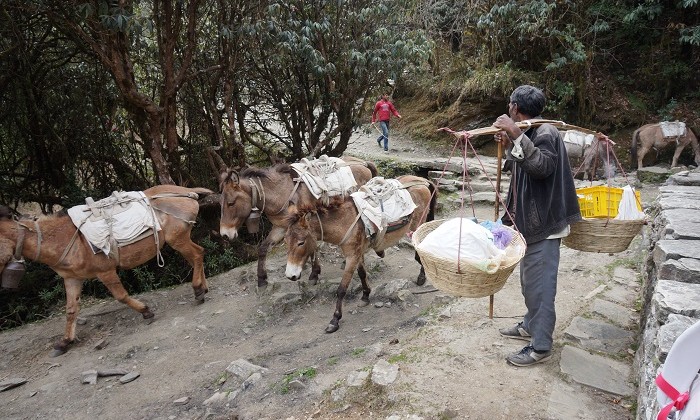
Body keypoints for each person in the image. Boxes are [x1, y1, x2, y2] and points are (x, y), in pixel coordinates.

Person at [448, 85, 581, 367]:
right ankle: (529, 326)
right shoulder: (531, 131)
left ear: (514, 107)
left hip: (544, 225)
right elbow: (520, 165)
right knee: (529, 282)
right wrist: (510, 142)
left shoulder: (546, 133)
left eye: (509, 106)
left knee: (541, 288)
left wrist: (516, 134)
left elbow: (542, 167)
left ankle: (541, 346)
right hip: (528, 223)